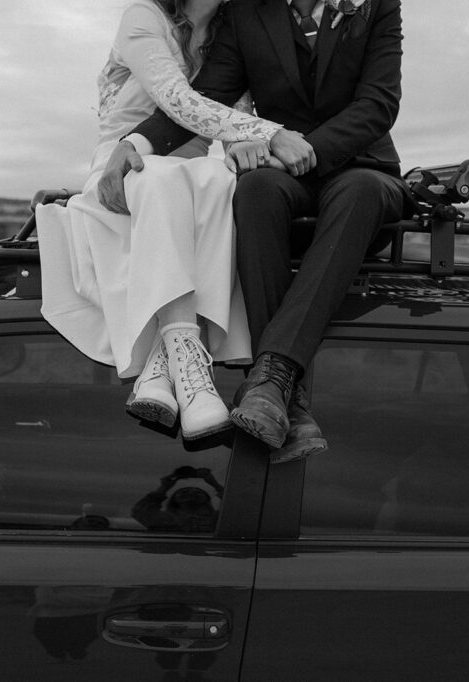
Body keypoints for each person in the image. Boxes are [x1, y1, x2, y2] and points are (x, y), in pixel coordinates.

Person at [99, 0, 415, 463]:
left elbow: (378, 102)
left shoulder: (379, 4)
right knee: (255, 191)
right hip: (280, 175)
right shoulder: (248, 11)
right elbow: (210, 93)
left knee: (359, 191)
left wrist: (303, 148)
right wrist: (135, 143)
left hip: (363, 168)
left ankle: (273, 378)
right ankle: (286, 400)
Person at [36, 0, 290, 443]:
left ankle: (161, 367)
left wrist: (238, 145)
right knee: (159, 180)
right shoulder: (143, 18)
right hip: (127, 162)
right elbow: (179, 101)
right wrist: (268, 133)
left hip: (189, 172)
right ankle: (193, 375)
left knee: (220, 181)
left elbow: (240, 110)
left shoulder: (234, 31)